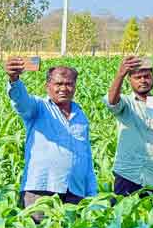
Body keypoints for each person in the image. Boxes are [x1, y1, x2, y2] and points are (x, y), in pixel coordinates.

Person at [6, 59, 98, 210]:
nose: (64, 88)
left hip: (75, 191)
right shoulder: (37, 107)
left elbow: (86, 156)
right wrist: (14, 79)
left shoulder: (80, 116)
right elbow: (20, 101)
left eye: (69, 84)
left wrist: (91, 193)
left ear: (75, 87)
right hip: (40, 189)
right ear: (47, 86)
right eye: (58, 84)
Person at [106, 56, 153, 195]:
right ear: (130, 80)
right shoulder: (126, 102)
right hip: (127, 175)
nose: (143, 80)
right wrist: (120, 74)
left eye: (146, 76)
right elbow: (111, 103)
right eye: (137, 77)